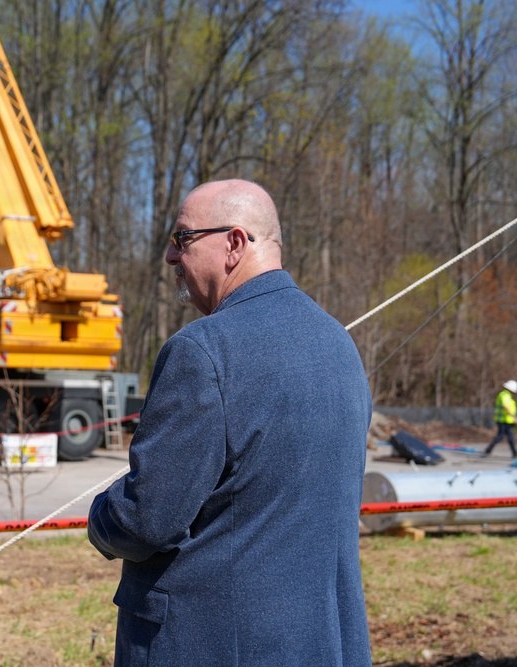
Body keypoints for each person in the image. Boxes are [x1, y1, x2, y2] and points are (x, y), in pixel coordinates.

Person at [88, 179, 372, 666]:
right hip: (319, 644)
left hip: (210, 645)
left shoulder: (202, 351)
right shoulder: (339, 344)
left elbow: (146, 519)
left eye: (182, 239)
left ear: (234, 243)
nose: (170, 257)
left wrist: (101, 515)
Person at [482, 380, 517, 458]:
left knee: (510, 436)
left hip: (507, 420)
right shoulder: (505, 395)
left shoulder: (508, 395)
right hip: (503, 420)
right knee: (501, 436)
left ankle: (514, 453)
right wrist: (514, 417)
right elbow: (506, 407)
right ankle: (488, 450)